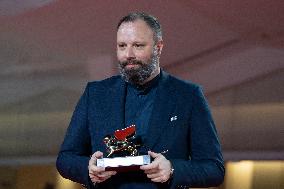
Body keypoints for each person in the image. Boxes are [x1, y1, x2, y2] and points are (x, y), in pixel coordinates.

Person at [56, 12, 225, 189]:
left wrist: (173, 169)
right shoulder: (96, 94)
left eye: (137, 46)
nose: (128, 54)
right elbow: (66, 158)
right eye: (122, 46)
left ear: (158, 48)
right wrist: (88, 168)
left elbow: (214, 168)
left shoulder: (188, 95)